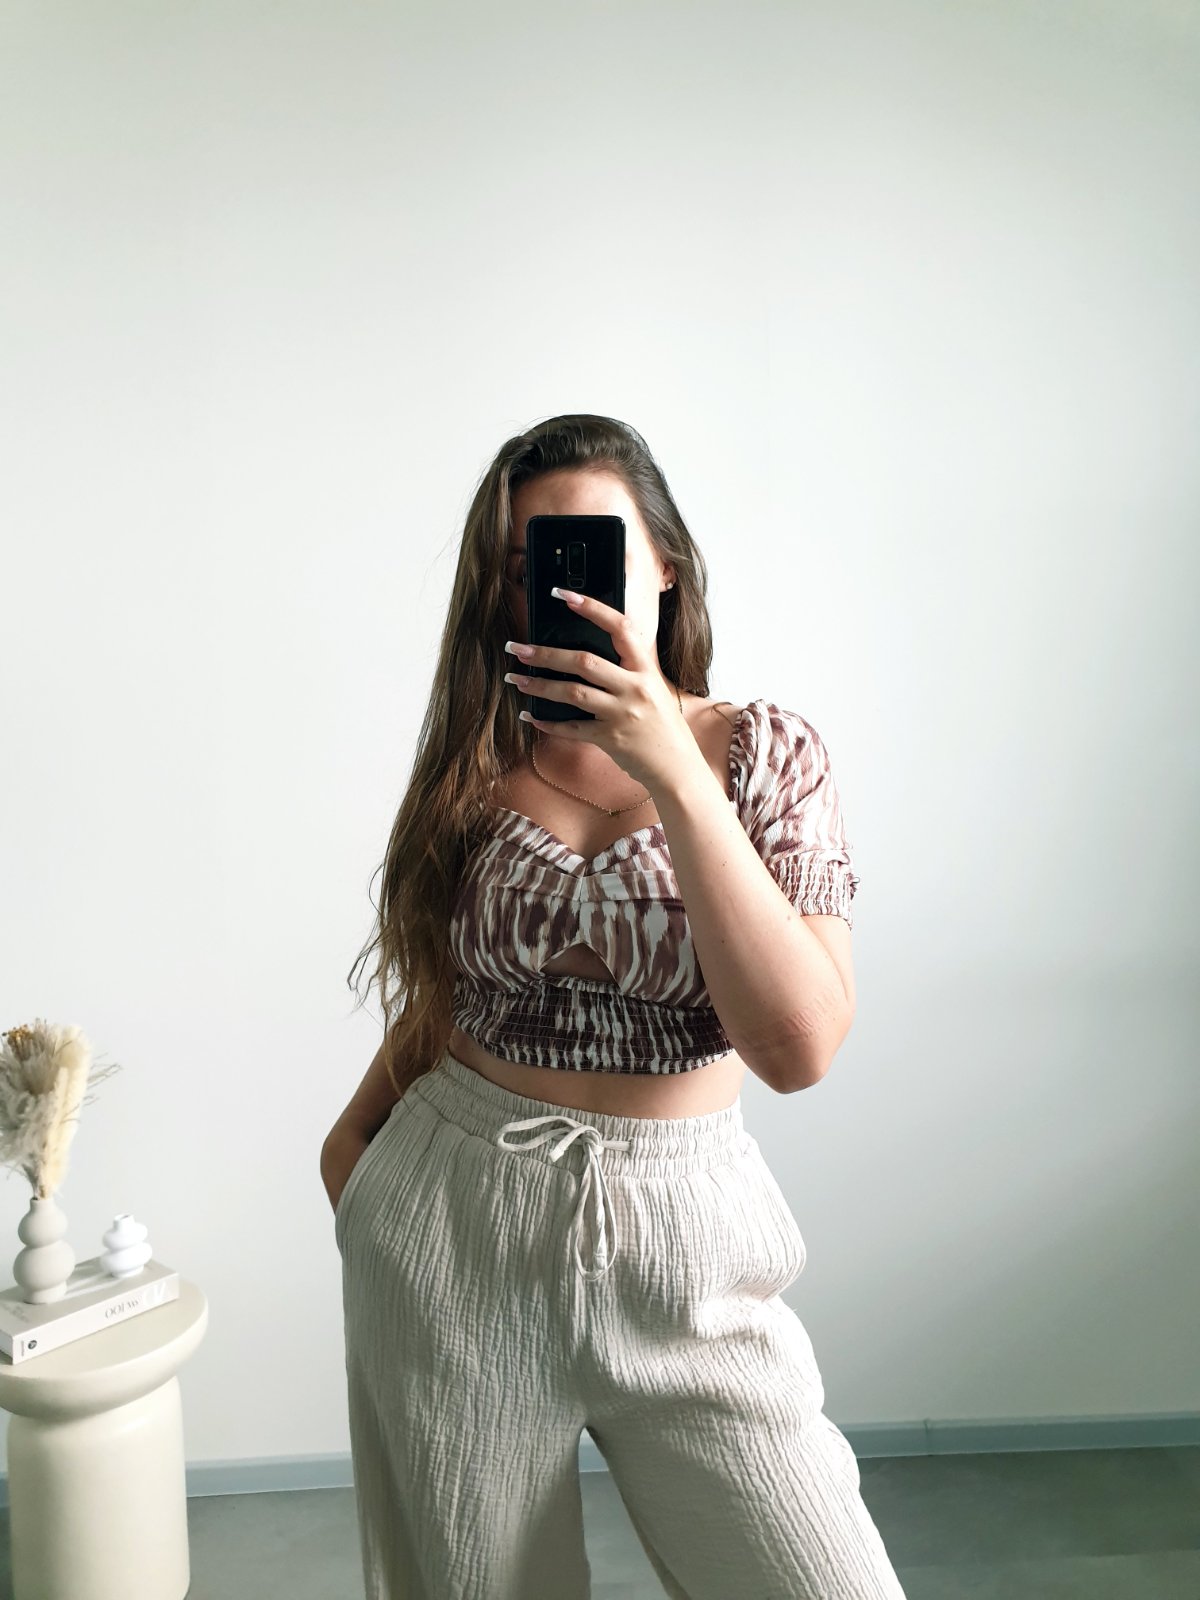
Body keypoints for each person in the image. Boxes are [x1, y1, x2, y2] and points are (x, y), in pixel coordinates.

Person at [320, 414, 907, 1599]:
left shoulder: (765, 755)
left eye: (592, 550)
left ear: (665, 566)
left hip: (686, 1240)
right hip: (456, 1222)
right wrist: (358, 1155)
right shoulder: (474, 768)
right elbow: (446, 992)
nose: (561, 585)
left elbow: (798, 1045)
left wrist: (673, 767)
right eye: (527, 562)